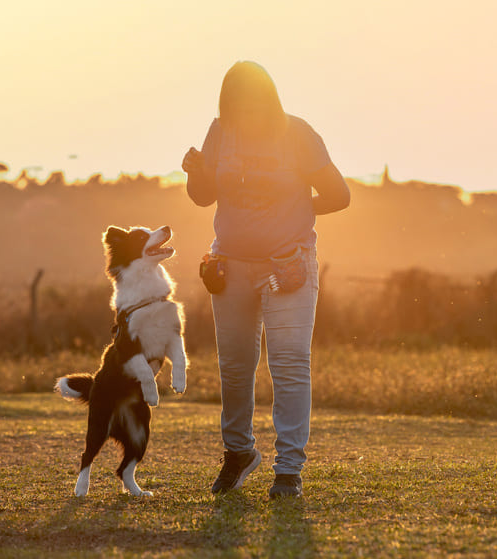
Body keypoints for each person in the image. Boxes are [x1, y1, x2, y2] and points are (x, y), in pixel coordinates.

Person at [182, 61, 350, 498]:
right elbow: (203, 197)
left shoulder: (297, 134)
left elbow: (339, 195)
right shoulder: (220, 131)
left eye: (252, 104)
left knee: (289, 362)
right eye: (235, 105)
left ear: (269, 100)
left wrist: (294, 210)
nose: (244, 114)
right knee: (235, 369)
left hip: (288, 265)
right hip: (230, 265)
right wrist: (194, 173)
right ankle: (238, 453)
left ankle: (288, 470)